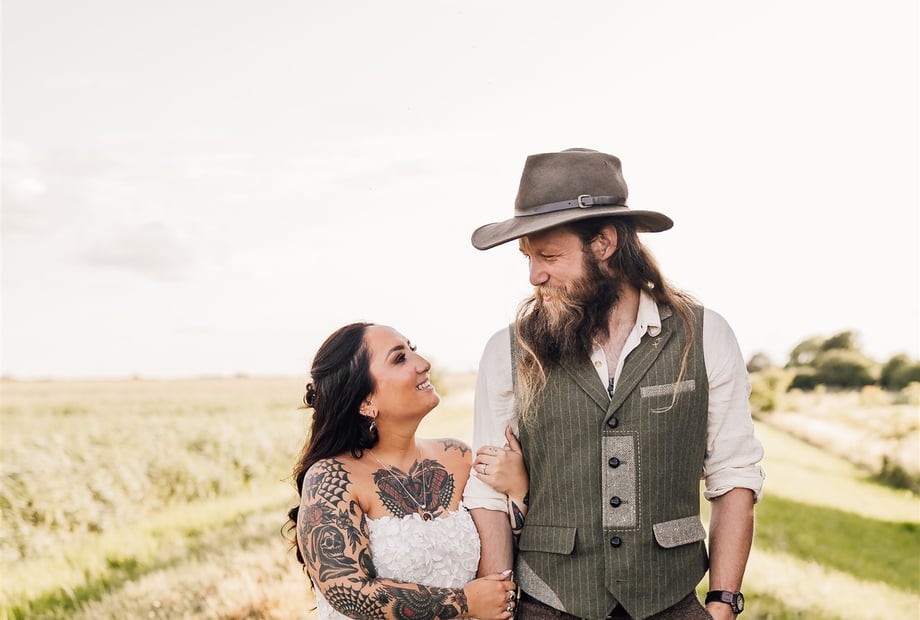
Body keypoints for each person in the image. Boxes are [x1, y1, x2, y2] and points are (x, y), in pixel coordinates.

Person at [462, 148, 765, 620]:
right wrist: (501, 609)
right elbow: (488, 495)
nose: (534, 275)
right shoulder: (507, 350)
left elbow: (734, 476)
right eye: (528, 257)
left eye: (548, 255)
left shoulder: (705, 335)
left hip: (672, 601)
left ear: (604, 243)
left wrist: (723, 602)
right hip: (546, 602)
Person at [286, 322, 525, 620]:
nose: (423, 364)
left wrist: (518, 491)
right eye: (400, 358)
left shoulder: (458, 457)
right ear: (365, 401)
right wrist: (464, 602)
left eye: (413, 350)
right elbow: (347, 591)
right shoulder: (332, 478)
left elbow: (508, 557)